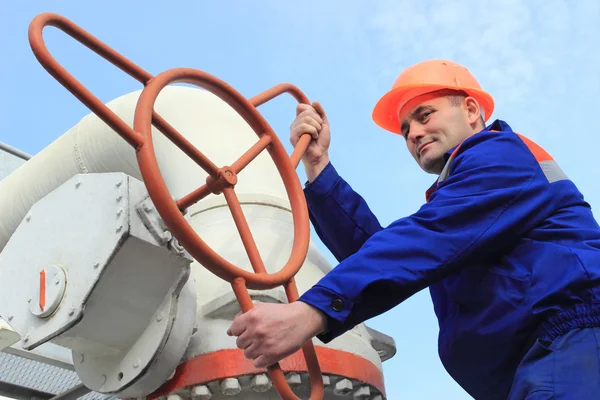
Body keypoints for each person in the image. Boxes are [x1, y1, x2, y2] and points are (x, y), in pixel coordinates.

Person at [227, 60, 600, 399]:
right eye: (406, 129)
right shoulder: (459, 204)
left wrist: (311, 311)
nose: (413, 134)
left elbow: (421, 242)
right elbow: (384, 253)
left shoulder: (500, 154)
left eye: (425, 115)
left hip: (575, 340)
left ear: (470, 110)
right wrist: (318, 165)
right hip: (531, 367)